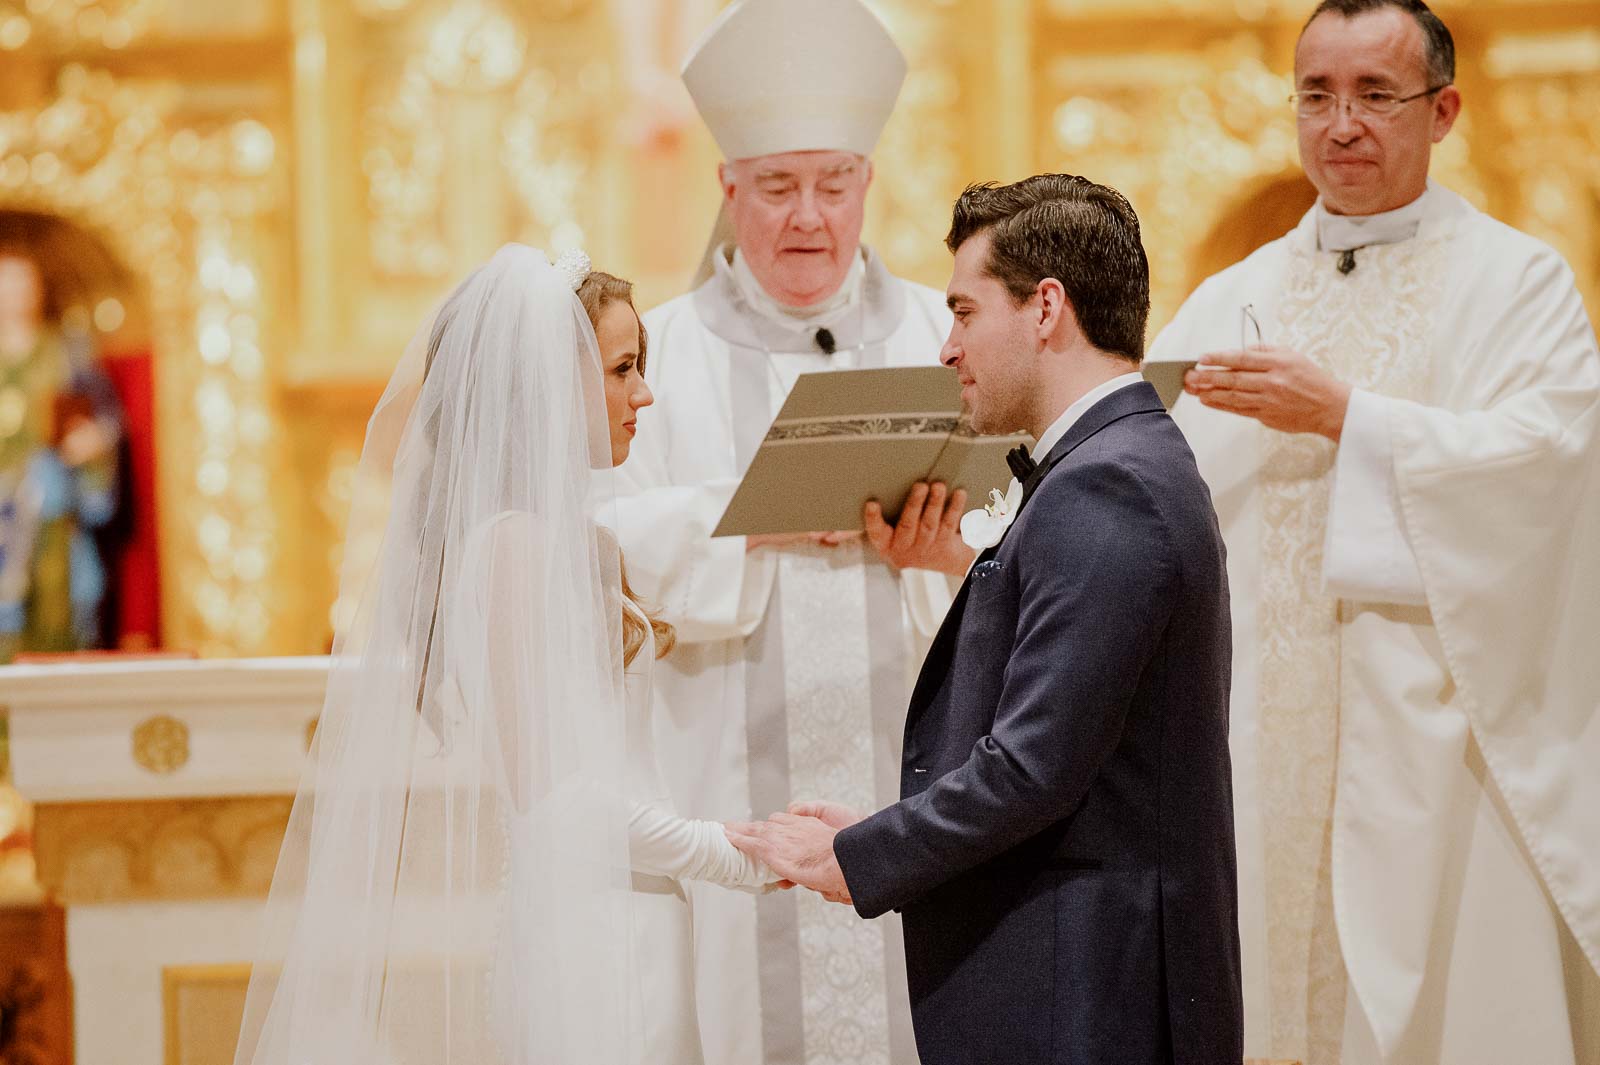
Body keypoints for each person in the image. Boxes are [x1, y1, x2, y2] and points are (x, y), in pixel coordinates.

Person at [1145, 2, 1600, 1063]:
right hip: (1257, 733)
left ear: (1441, 112)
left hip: (1441, 741)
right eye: (1315, 95)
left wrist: (1349, 417)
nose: (1340, 123)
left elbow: (1552, 464)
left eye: (1374, 96)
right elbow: (1139, 482)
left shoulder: (1515, 282)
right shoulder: (1233, 296)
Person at [730, 175, 1244, 1065]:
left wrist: (855, 855)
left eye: (966, 312)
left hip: (1088, 990)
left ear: (1046, 308)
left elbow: (1032, 768)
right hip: (1079, 970)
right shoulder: (1107, 464)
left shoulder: (1106, 483)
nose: (948, 345)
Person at [233, 246, 776, 1065]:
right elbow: (554, 800)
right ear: (549, 387)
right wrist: (731, 853)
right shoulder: (514, 549)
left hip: (637, 908)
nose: (645, 394)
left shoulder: (573, 540)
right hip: (594, 930)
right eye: (623, 369)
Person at [615, 2, 970, 1062]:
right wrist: (746, 525)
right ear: (729, 190)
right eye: (776, 186)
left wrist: (941, 545)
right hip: (720, 769)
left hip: (911, 763)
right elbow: (586, 542)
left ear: (869, 182)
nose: (806, 217)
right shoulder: (657, 357)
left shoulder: (941, 336)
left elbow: (1024, 527)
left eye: (832, 184)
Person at [0, 244, 121, 660]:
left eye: (23, 283)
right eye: (6, 283)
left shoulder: (67, 352)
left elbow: (103, 420)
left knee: (56, 609)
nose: (14, 295)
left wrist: (91, 443)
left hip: (50, 506)